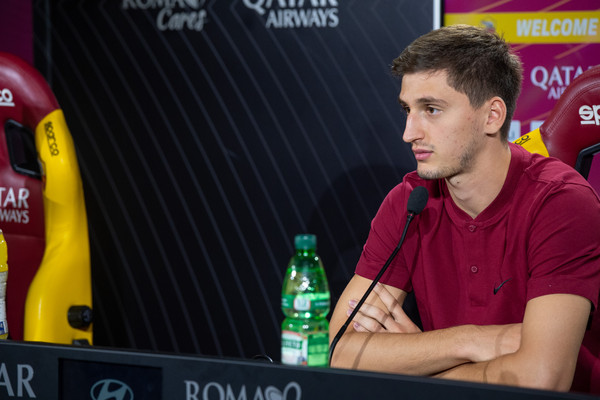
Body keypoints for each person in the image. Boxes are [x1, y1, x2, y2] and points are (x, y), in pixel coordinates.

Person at [329, 24, 600, 395]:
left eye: (432, 109)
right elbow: (341, 352)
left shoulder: (561, 202)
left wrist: (414, 364)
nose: (409, 133)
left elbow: (540, 380)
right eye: (408, 109)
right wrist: (469, 341)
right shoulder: (409, 202)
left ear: (492, 116)